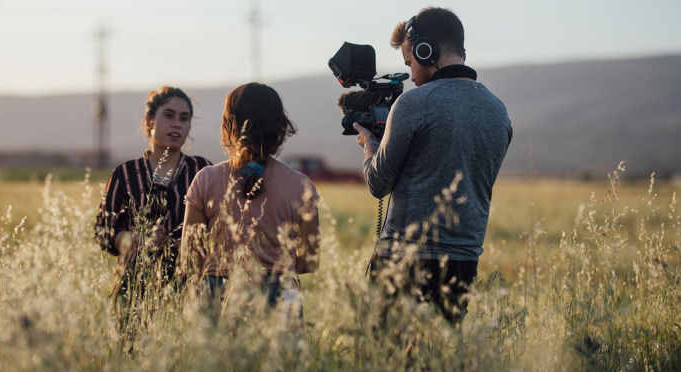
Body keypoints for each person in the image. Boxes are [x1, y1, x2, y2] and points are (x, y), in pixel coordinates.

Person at [353, 7, 512, 325]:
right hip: (463, 263)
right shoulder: (499, 111)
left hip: (405, 259)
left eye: (410, 62)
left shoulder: (413, 103)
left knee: (386, 365)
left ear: (426, 51)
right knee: (436, 367)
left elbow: (377, 184)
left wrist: (370, 144)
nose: (411, 74)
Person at [181, 82, 320, 319]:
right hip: (282, 292)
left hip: (217, 292)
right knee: (283, 357)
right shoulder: (301, 185)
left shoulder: (205, 180)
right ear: (279, 128)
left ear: (228, 125)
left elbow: (190, 256)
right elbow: (310, 262)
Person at [94, 86, 212, 308]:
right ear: (149, 121)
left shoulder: (202, 170)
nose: (177, 123)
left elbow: (222, 228)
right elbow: (102, 230)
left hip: (191, 292)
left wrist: (176, 244)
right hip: (134, 289)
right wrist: (129, 239)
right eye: (169, 115)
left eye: (184, 118)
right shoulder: (126, 174)